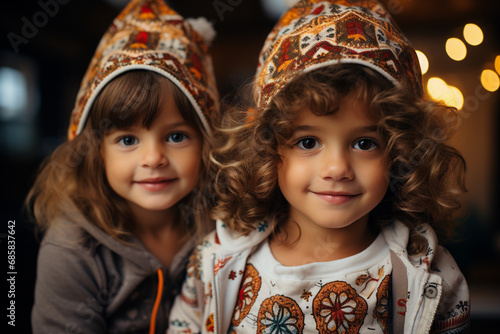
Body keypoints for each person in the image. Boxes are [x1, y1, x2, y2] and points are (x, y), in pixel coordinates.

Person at [168, 0, 470, 333]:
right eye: (308, 142)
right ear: (267, 149)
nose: (337, 168)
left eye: (364, 143)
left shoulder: (431, 275)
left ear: (401, 151)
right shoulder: (215, 260)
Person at [26, 0, 218, 333]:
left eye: (175, 136)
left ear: (206, 143)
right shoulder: (72, 249)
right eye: (128, 140)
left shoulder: (225, 222)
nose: (153, 158)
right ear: (96, 152)